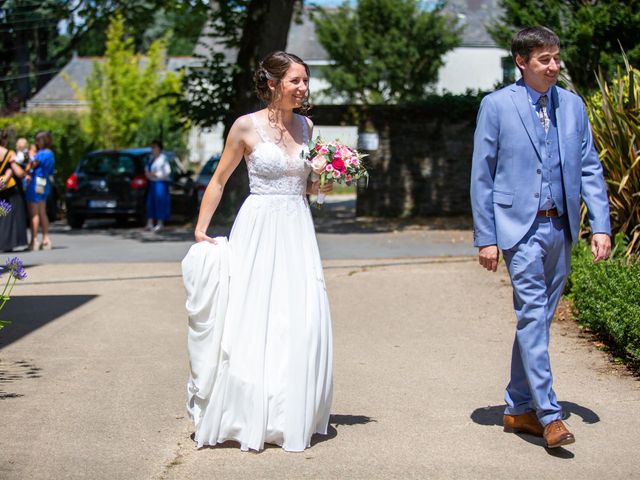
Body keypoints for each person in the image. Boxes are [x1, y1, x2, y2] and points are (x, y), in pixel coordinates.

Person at [470, 26, 611, 449]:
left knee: (538, 321)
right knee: (533, 316)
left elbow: (589, 167)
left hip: (560, 227)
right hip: (519, 229)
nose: (554, 66)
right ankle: (549, 415)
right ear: (522, 62)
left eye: (556, 57)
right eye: (544, 59)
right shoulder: (496, 106)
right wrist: (486, 237)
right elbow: (482, 175)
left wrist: (600, 225)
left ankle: (516, 407)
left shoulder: (572, 105)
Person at [188, 51, 334, 452]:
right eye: (296, 81)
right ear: (272, 83)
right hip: (258, 224)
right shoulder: (244, 126)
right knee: (254, 315)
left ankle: (289, 411)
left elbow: (310, 188)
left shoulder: (307, 126)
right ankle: (246, 410)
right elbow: (219, 180)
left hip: (297, 227)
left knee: (299, 316)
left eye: (305, 81)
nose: (303, 89)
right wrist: (201, 228)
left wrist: (323, 180)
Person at [24, 130, 55, 251]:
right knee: (42, 211)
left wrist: (30, 157)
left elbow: (31, 166)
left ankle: (34, 240)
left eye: (38, 140)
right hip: (44, 181)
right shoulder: (50, 154)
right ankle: (46, 239)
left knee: (34, 213)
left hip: (36, 181)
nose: (36, 142)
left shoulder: (41, 154)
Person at [0, 129, 28, 251]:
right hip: (7, 188)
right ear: (5, 140)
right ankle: (5, 243)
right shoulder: (9, 153)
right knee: (6, 216)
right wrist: (6, 178)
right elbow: (16, 171)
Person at [145, 139, 171, 232]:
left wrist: (156, 175)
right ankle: (150, 222)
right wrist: (148, 174)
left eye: (154, 147)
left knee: (160, 202)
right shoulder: (151, 158)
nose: (152, 149)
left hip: (160, 183)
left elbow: (167, 171)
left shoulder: (163, 159)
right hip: (152, 183)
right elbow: (147, 169)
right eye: (151, 147)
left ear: (159, 148)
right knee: (150, 203)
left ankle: (160, 223)